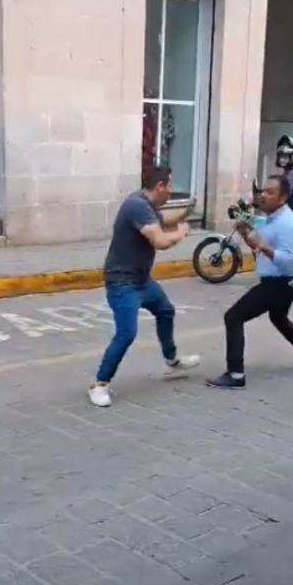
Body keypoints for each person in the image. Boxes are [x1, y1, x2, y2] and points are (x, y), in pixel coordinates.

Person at [90, 167, 200, 407]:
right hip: (122, 283)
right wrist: (181, 233)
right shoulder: (137, 206)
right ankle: (99, 385)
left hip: (142, 281)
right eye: (169, 186)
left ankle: (172, 361)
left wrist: (185, 213)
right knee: (127, 333)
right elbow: (160, 240)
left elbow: (162, 221)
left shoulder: (147, 206)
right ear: (159, 186)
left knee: (165, 310)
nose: (171, 192)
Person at [207, 175, 293, 389]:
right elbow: (260, 246)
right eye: (262, 191)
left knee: (233, 317)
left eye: (270, 192)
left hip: (281, 283)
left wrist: (262, 246)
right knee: (279, 318)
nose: (262, 195)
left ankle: (236, 374)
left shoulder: (288, 224)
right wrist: (246, 234)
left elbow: (287, 262)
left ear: (283, 197)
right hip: (281, 283)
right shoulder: (269, 219)